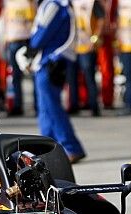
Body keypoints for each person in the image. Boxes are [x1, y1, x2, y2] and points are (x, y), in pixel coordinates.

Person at [26, 0, 85, 163]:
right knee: (45, 109)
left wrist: (30, 47)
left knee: (51, 108)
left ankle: (71, 146)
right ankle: (47, 150)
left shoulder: (54, 5)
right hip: (49, 63)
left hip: (49, 63)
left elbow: (40, 35)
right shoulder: (60, 5)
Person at [0, 0, 35, 115]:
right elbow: (4, 21)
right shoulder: (9, 2)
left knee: (33, 74)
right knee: (15, 76)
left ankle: (37, 105)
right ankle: (17, 105)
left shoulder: (30, 2)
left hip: (28, 40)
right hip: (13, 40)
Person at [71, 0, 104, 116]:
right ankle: (73, 106)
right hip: (73, 47)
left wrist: (94, 39)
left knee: (89, 78)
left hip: (87, 47)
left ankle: (94, 106)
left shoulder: (92, 2)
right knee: (72, 79)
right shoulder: (69, 2)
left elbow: (101, 20)